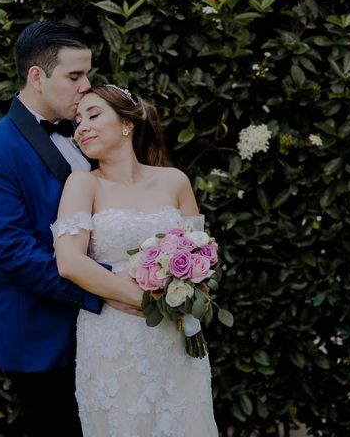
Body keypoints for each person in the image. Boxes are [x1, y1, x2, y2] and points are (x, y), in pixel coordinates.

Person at [0, 22, 142, 436]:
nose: (86, 86)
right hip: (43, 339)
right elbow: (13, 252)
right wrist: (108, 291)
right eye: (75, 76)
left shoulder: (91, 131)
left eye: (88, 74)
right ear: (37, 77)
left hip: (113, 332)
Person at [52, 85, 219, 436]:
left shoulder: (175, 181)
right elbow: (69, 262)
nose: (81, 127)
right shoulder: (82, 184)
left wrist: (187, 291)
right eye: (77, 121)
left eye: (93, 115)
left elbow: (203, 252)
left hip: (175, 335)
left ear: (127, 123)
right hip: (114, 334)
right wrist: (147, 298)